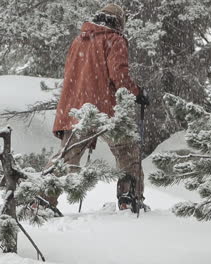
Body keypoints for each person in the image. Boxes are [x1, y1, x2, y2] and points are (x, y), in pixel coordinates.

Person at [48, 3, 149, 213]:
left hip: (77, 110)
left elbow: (71, 74)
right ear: (119, 22)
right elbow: (119, 74)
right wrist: (137, 93)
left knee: (66, 158)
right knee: (127, 152)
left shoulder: (78, 41)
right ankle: (128, 198)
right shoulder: (114, 39)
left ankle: (40, 200)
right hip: (107, 110)